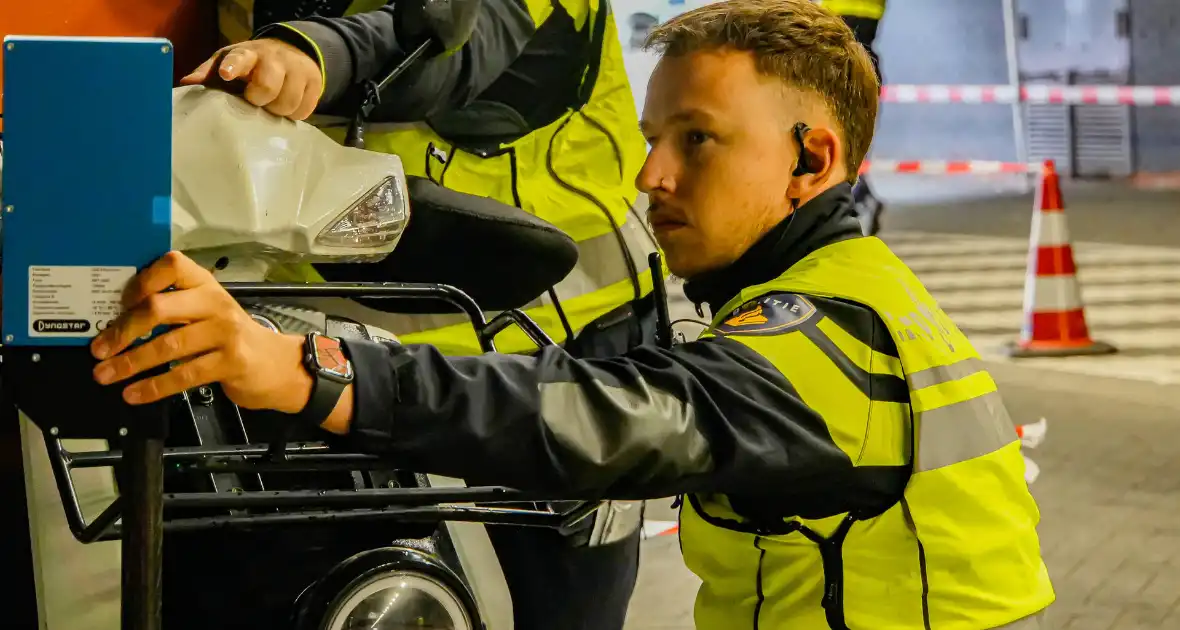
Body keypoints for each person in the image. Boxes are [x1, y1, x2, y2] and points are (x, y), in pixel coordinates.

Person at [92, 0, 1055, 627]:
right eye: (653, 137)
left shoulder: (821, 339)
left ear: (812, 160)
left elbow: (599, 415)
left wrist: (302, 371)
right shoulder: (860, 287)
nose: (651, 175)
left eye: (699, 141)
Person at [188, 1, 660, 628]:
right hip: (333, 357)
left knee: (560, 612)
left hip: (546, 343)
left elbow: (458, 53)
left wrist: (315, 52)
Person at [818, 0, 887, 236]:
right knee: (848, 149)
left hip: (842, 65)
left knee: (842, 148)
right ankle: (859, 198)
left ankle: (856, 200)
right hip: (860, 63)